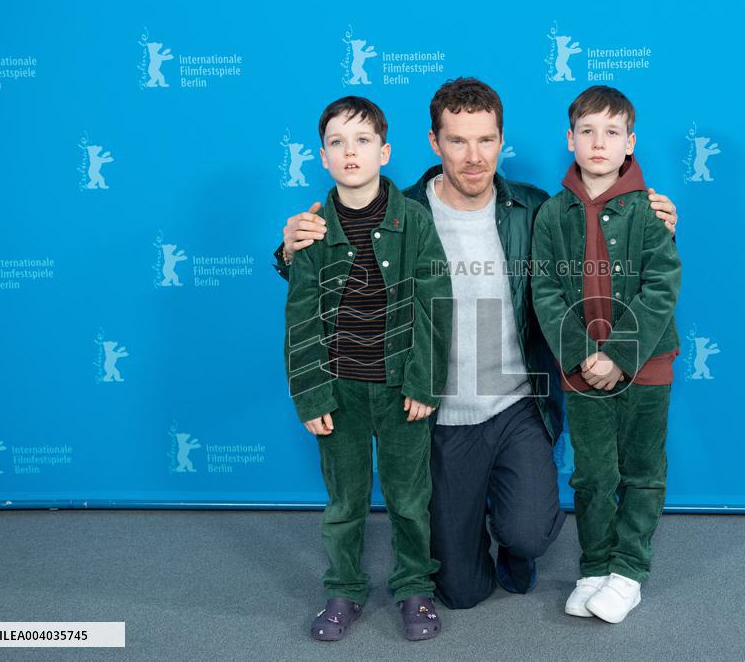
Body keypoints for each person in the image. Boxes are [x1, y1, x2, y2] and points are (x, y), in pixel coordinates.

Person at [276, 78, 680, 610]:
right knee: (460, 591)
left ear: (501, 141)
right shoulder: (402, 212)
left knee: (530, 532)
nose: (473, 157)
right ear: (433, 142)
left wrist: (656, 220)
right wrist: (287, 250)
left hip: (515, 406)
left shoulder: (535, 209)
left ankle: (517, 529)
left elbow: (601, 230)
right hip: (436, 412)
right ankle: (470, 523)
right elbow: (336, 270)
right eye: (458, 141)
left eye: (486, 140)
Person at [285, 95, 452, 641]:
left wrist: (425, 382)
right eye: (337, 142)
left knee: (409, 497)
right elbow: (301, 317)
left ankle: (414, 588)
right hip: (339, 391)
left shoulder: (415, 222)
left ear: (384, 151)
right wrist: (311, 394)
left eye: (361, 141)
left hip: (402, 387)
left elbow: (435, 305)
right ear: (323, 157)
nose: (349, 152)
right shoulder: (310, 230)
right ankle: (344, 589)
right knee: (345, 499)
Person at [531, 85, 681, 624]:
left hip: (646, 366)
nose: (599, 142)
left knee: (641, 469)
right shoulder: (552, 214)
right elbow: (544, 289)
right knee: (593, 473)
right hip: (581, 372)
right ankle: (594, 566)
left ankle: (629, 571)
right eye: (587, 131)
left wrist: (620, 353)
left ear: (630, 143)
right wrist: (581, 355)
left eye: (612, 132)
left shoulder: (650, 210)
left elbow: (662, 284)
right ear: (570, 139)